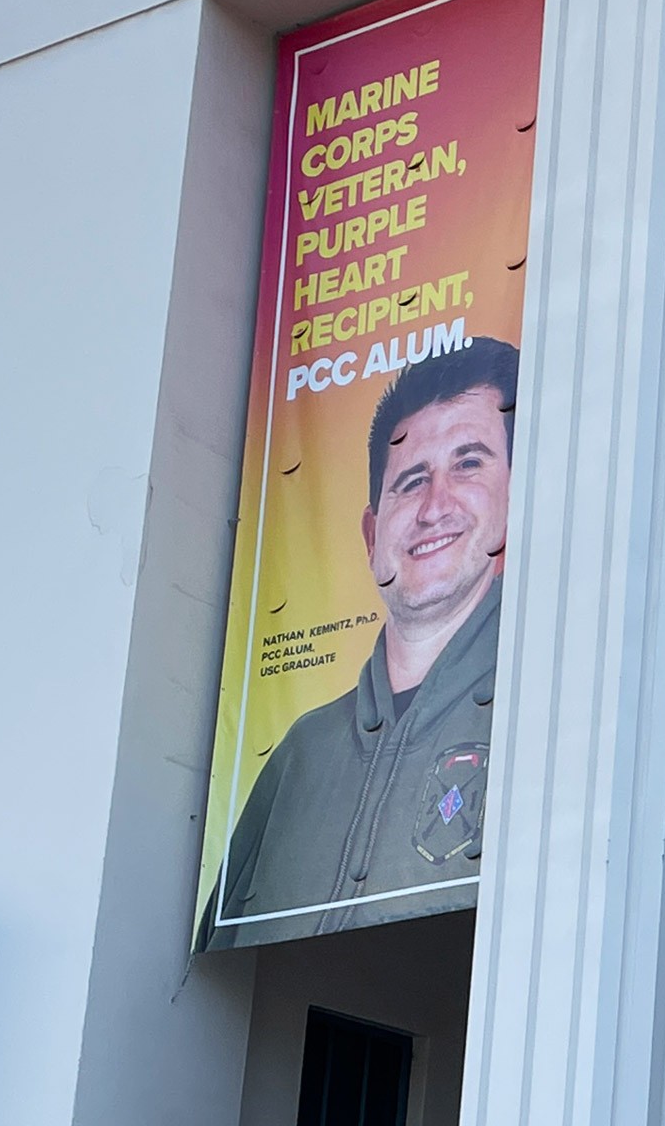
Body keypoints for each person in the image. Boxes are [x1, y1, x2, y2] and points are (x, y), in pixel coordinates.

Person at [206, 339, 515, 942]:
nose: (434, 507)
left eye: (469, 463)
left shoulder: (545, 716)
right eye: (411, 480)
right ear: (372, 533)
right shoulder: (301, 753)